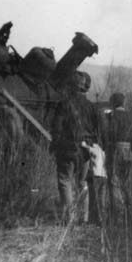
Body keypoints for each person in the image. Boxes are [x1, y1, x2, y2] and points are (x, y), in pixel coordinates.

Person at [50, 72, 97, 224]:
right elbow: (97, 128)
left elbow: (57, 128)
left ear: (70, 87)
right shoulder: (91, 106)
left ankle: (69, 218)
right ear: (83, 87)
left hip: (67, 148)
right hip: (86, 149)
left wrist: (55, 145)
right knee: (82, 182)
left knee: (65, 180)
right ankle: (84, 218)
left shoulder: (63, 105)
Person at [104, 92, 132, 223]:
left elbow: (109, 135)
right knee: (127, 184)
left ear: (113, 102)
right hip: (129, 152)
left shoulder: (112, 116)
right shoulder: (131, 116)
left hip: (115, 150)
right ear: (123, 102)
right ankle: (130, 215)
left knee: (114, 182)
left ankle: (117, 217)